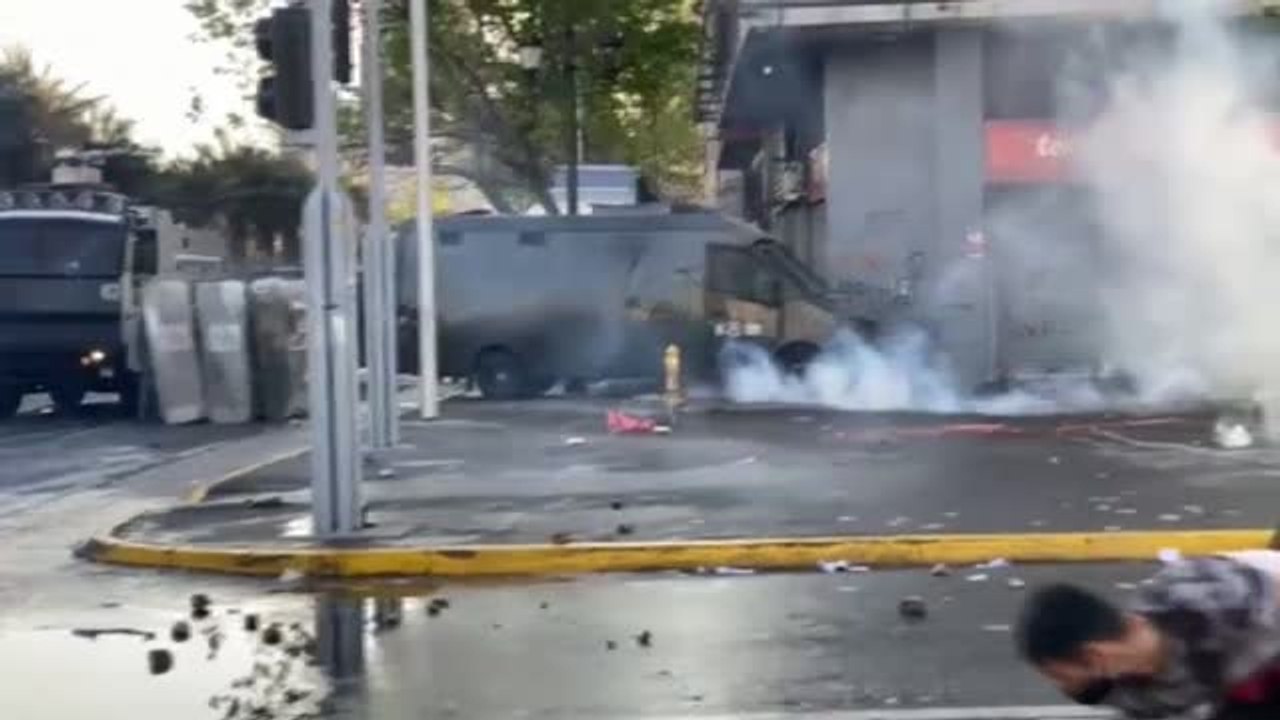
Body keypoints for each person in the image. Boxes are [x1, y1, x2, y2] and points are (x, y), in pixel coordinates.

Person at [1016, 551, 1280, 719]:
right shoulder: (1126, 690)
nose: (1063, 688)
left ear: (1096, 655)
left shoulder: (1204, 600)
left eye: (1060, 676)